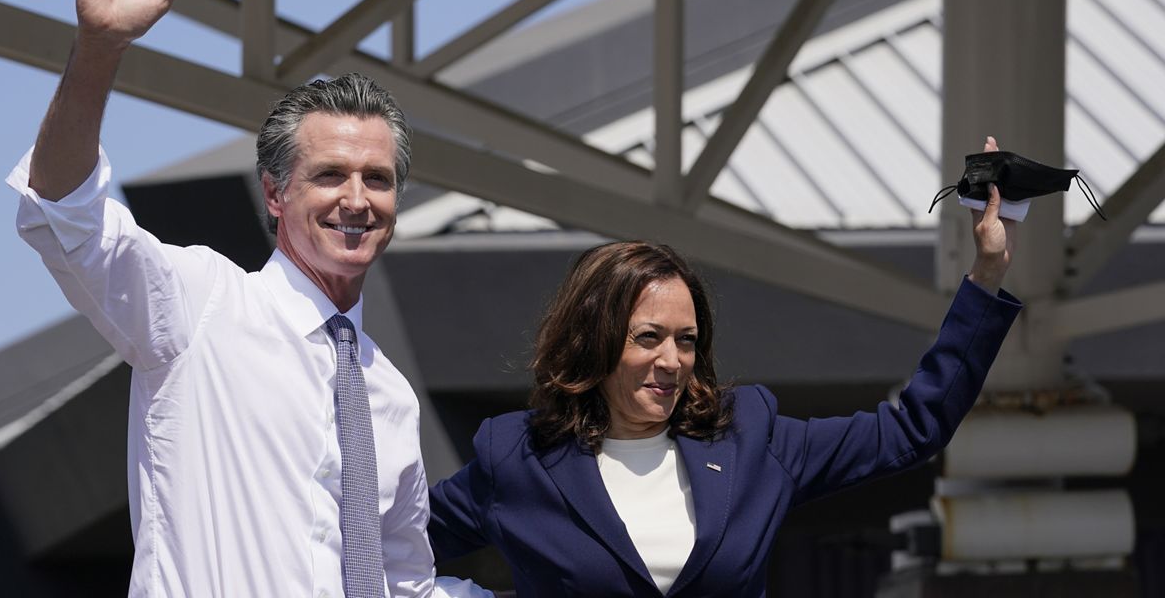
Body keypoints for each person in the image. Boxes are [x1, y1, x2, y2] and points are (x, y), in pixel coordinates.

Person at [7, 0, 485, 597]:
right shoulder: (200, 308)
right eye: (329, 174)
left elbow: (405, 585)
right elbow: (64, 214)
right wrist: (99, 49)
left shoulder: (387, 393)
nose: (356, 199)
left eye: (377, 179)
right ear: (274, 193)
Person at [428, 140, 1022, 597]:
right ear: (596, 342)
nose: (671, 361)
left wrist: (986, 277)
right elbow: (387, 551)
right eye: (648, 338)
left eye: (686, 341)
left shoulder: (749, 438)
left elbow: (913, 429)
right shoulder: (516, 458)